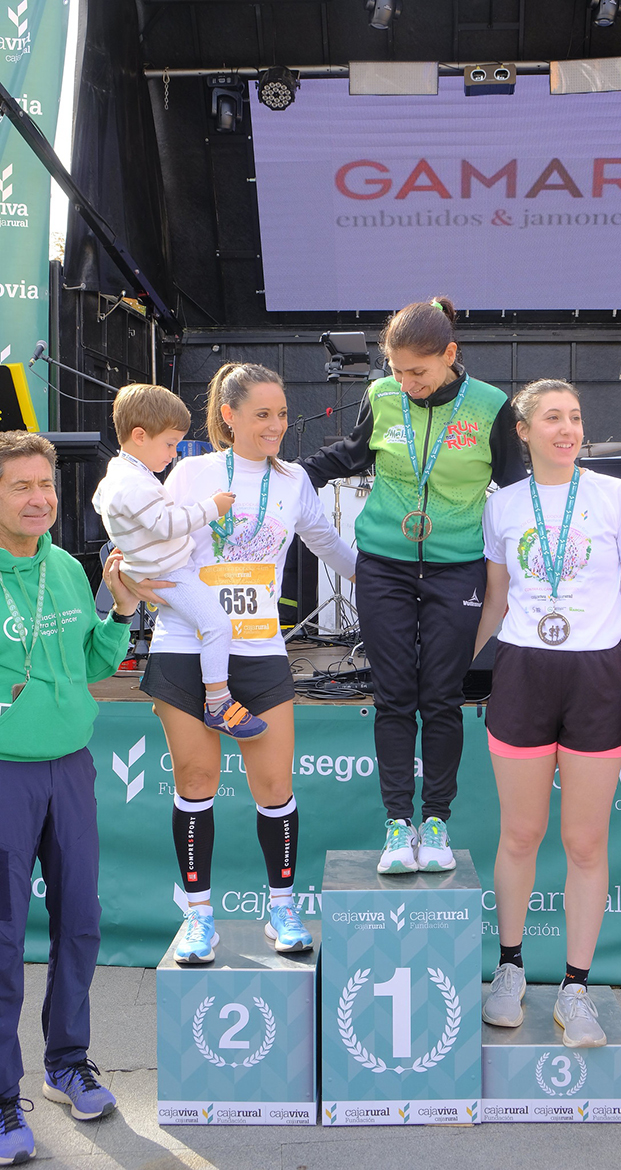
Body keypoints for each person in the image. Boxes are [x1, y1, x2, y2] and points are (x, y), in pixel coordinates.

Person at [128, 363, 356, 965]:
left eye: (282, 414)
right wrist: (126, 573)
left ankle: (281, 905)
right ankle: (199, 914)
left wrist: (387, 583)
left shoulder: (294, 482)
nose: (276, 425)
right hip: (186, 647)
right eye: (263, 414)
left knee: (275, 785)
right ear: (228, 417)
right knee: (197, 782)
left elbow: (328, 545)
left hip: (259, 652)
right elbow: (145, 530)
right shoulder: (192, 471)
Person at [304, 297, 525, 875]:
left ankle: (437, 822)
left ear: (450, 355)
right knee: (395, 695)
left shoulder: (490, 406)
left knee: (442, 697)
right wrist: (278, 474)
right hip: (385, 565)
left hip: (457, 568)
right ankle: (398, 825)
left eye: (418, 372)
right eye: (397, 370)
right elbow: (348, 457)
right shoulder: (381, 397)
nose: (407, 382)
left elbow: (517, 486)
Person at [474, 379, 621, 1046]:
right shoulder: (504, 506)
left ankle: (576, 987)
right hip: (523, 672)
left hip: (597, 676)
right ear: (522, 431)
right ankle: (512, 969)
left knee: (584, 842)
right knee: (520, 835)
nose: (567, 428)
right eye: (551, 418)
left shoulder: (616, 497)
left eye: (575, 417)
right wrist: (466, 674)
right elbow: (496, 602)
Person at [0, 431, 138, 1165]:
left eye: (44, 486)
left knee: (80, 921)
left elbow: (90, 665)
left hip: (71, 766)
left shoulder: (62, 565)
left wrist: (117, 612)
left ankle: (66, 1064)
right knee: (2, 940)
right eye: (20, 486)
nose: (37, 499)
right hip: (5, 773)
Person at [94, 384, 269, 741]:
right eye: (170, 444)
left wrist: (131, 551)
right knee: (218, 625)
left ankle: (180, 694)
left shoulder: (117, 473)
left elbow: (100, 503)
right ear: (140, 436)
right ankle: (218, 703)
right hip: (171, 573)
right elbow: (167, 524)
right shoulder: (135, 485)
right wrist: (212, 507)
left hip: (158, 567)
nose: (173, 455)